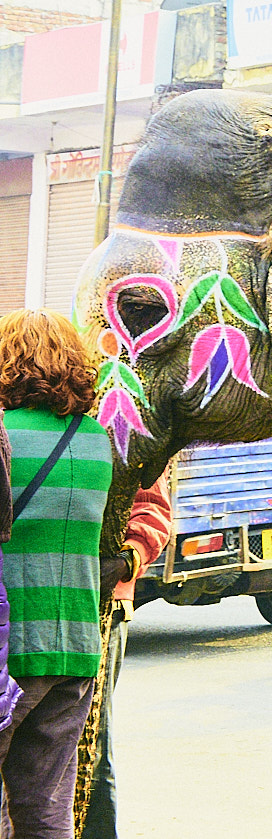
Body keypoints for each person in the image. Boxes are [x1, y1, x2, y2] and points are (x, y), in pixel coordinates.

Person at [0, 311, 112, 839]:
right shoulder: (98, 442)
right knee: (46, 808)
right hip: (76, 647)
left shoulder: (3, 435)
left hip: (12, 647)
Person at [78, 478, 170, 839]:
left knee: (93, 743)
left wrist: (123, 562)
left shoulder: (122, 425)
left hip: (105, 601)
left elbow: (153, 509)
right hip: (25, 597)